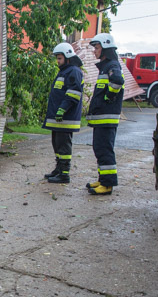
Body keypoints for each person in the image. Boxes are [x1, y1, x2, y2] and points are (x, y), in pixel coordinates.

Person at [86, 33, 124, 195]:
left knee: (104, 149)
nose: (94, 51)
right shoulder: (106, 66)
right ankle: (102, 179)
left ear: (106, 48)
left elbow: (117, 81)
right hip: (102, 118)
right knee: (99, 148)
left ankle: (107, 185)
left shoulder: (112, 65)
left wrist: (109, 95)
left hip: (106, 118)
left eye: (97, 47)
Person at [42, 42, 84, 183]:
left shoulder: (74, 71)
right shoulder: (64, 71)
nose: (58, 61)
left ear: (68, 57)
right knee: (57, 144)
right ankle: (59, 169)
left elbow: (73, 93)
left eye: (59, 58)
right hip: (58, 119)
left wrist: (62, 109)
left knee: (64, 145)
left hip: (66, 118)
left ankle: (64, 174)